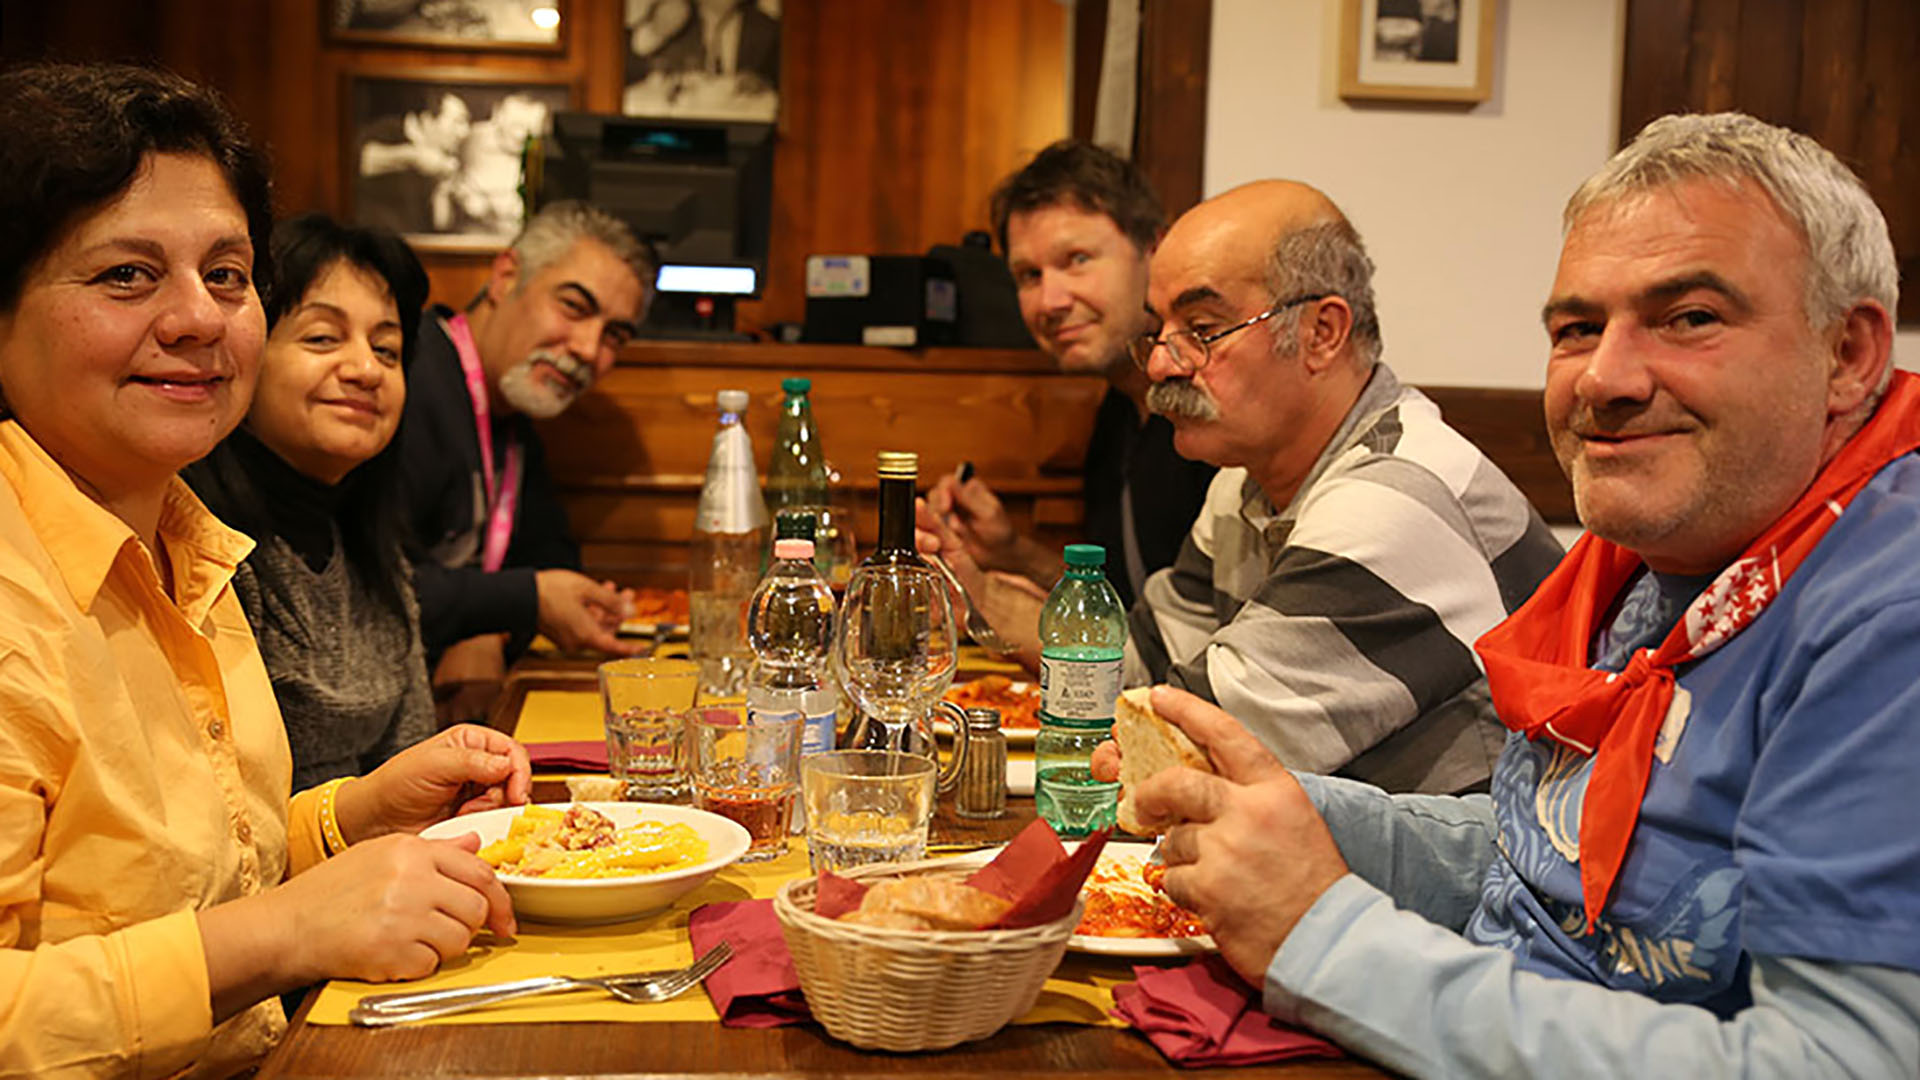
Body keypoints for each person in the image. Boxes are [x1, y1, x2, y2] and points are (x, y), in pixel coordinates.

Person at [1107, 113, 1920, 1077]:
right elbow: (1543, 852)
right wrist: (1302, 814)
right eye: (1577, 328)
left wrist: (1326, 936)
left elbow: (1835, 1063)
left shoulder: (1883, 620)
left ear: (1851, 356)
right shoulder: (1650, 563)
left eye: (1690, 317)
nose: (1606, 378)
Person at [0, 62, 530, 1078]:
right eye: (126, 274)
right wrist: (285, 935)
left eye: (229, 275)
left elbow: (182, 874)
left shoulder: (183, 541)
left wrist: (359, 813)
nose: (200, 318)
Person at [936, 179, 1561, 795]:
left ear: (1322, 333)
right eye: (1159, 329)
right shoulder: (1242, 485)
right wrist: (986, 596)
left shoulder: (1392, 503)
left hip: (1484, 884)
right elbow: (1143, 670)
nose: (1159, 362)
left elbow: (1182, 759)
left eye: (1203, 329)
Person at [184, 213, 436, 793]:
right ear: (243, 352)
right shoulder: (198, 542)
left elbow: (414, 754)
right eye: (322, 338)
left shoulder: (368, 542)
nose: (366, 369)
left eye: (388, 349)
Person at [922, 140, 1217, 609]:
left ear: (1154, 250)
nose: (1050, 302)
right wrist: (1010, 553)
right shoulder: (1118, 410)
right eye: (1029, 275)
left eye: (1077, 260)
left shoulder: (1215, 408)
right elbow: (1126, 613)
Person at [398, 199, 652, 691]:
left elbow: (554, 565)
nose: (588, 349)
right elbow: (382, 589)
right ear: (506, 276)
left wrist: (491, 628)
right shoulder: (406, 378)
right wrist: (518, 604)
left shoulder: (516, 419)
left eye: (614, 336)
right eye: (574, 307)